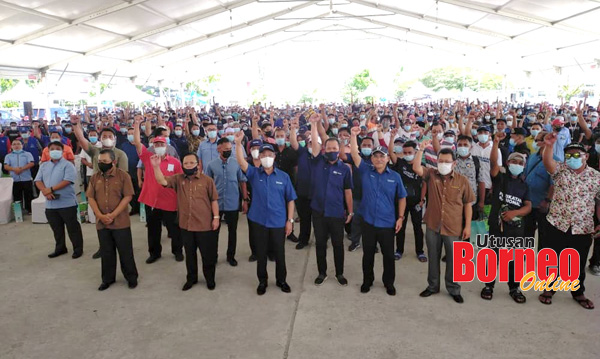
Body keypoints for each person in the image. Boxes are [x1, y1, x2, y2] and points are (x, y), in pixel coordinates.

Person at [539, 136, 599, 310]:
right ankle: (549, 289)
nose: (572, 158)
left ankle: (578, 292)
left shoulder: (596, 177)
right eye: (569, 156)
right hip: (557, 222)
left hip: (583, 227)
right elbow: (548, 163)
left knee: (578, 262)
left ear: (586, 156)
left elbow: (599, 202)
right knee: (553, 259)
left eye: (576, 155)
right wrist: (549, 146)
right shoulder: (560, 170)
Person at [234, 130, 296, 296]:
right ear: (259, 158)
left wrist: (289, 220)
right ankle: (262, 281)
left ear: (274, 156)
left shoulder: (284, 177)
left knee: (279, 254)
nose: (266, 157)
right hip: (259, 221)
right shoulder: (254, 174)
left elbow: (290, 199)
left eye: (269, 154)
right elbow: (241, 162)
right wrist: (238, 144)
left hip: (278, 221)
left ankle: (281, 280)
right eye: (263, 154)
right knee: (261, 254)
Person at [413, 141, 475, 303]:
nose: (443, 164)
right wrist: (420, 149)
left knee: (454, 260)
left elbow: (468, 204)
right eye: (441, 161)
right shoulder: (431, 175)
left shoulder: (462, 181)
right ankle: (433, 286)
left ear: (454, 163)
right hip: (433, 224)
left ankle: (454, 288)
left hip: (454, 226)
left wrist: (467, 226)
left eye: (447, 162)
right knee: (433, 257)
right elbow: (416, 168)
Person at [349, 126, 406, 296]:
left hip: (387, 223)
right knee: (368, 255)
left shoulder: (395, 177)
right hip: (369, 222)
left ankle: (389, 283)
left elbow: (402, 197)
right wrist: (353, 136)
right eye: (376, 156)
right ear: (372, 159)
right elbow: (354, 154)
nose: (379, 159)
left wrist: (401, 217)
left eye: (382, 156)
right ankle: (368, 281)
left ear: (388, 158)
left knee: (388, 256)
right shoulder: (366, 171)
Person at [152, 152, 220, 291]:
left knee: (207, 255)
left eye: (191, 163)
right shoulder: (178, 179)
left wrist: (216, 218)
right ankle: (191, 278)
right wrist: (156, 167)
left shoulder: (207, 181)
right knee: (190, 254)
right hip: (186, 225)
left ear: (198, 164)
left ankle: (210, 278)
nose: (188, 165)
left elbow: (214, 200)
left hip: (204, 225)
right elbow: (162, 181)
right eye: (185, 163)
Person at [480, 132, 532, 303]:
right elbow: (494, 163)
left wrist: (514, 213)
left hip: (515, 230)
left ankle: (514, 288)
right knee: (492, 257)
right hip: (496, 227)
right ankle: (488, 285)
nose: (517, 164)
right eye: (513, 161)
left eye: (520, 163)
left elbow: (528, 206)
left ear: (524, 166)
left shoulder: (524, 186)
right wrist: (495, 143)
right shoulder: (500, 178)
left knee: (514, 260)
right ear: (508, 163)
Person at [308, 116, 353, 286]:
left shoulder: (344, 169)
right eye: (329, 148)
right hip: (318, 211)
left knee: (338, 244)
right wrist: (314, 124)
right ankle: (322, 272)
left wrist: (350, 211)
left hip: (336, 212)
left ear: (339, 149)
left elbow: (348, 191)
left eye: (334, 148)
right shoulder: (318, 162)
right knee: (320, 243)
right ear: (324, 149)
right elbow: (314, 144)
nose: (331, 150)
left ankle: (339, 273)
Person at [133, 116, 184, 264]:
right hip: (152, 200)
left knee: (174, 229)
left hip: (170, 201)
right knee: (153, 230)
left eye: (162, 143)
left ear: (166, 146)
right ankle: (154, 253)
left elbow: (180, 179)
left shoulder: (174, 162)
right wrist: (137, 124)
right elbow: (137, 142)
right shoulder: (148, 157)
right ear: (153, 147)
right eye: (157, 144)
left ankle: (177, 251)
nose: (160, 146)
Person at [86, 149, 138, 291]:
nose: (102, 164)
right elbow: (90, 197)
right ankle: (107, 279)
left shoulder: (123, 176)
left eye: (105, 162)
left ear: (113, 162)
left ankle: (131, 277)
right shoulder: (95, 177)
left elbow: (128, 196)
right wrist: (100, 215)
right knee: (106, 251)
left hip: (120, 221)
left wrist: (113, 215)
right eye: (100, 161)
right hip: (102, 223)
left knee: (125, 251)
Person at [34, 141, 84, 259]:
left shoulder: (68, 165)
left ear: (62, 151)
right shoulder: (44, 165)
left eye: (57, 149)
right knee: (56, 229)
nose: (54, 151)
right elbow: (38, 180)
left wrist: (50, 189)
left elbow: (67, 180)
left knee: (73, 228)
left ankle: (78, 249)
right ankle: (60, 248)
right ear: (48, 151)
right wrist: (45, 191)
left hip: (67, 203)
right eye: (52, 149)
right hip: (50, 204)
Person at [205, 137, 248, 267]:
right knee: (214, 232)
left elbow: (242, 181)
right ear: (219, 149)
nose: (229, 151)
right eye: (226, 149)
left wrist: (245, 199)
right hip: (216, 204)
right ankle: (213, 256)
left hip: (232, 202)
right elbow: (207, 184)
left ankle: (231, 256)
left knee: (232, 231)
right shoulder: (211, 165)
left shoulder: (236, 164)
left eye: (230, 149)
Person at [389, 138, 426, 262]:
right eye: (405, 153)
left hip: (416, 202)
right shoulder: (400, 163)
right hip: (401, 201)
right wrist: (391, 139)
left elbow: (425, 183)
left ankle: (420, 251)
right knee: (400, 226)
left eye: (410, 152)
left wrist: (422, 199)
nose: (407, 155)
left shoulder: (421, 166)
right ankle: (399, 250)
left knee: (417, 227)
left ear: (415, 152)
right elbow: (390, 152)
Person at [524, 131, 554, 249]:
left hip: (542, 202)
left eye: (539, 140)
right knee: (527, 231)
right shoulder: (532, 156)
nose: (536, 143)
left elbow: (553, 184)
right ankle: (525, 254)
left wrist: (547, 200)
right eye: (535, 140)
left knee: (544, 233)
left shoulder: (553, 160)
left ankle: (543, 257)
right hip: (528, 201)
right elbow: (525, 175)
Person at [4, 138, 35, 214]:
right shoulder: (8, 156)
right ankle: (19, 212)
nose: (16, 146)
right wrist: (14, 169)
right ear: (11, 146)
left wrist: (21, 169)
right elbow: (6, 166)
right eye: (14, 144)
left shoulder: (27, 154)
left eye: (18, 144)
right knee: (17, 195)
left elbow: (31, 163)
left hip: (26, 178)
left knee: (28, 195)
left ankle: (30, 210)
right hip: (15, 179)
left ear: (22, 145)